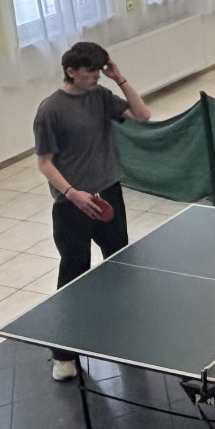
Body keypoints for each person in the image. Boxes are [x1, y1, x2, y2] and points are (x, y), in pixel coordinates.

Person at [34, 42, 150, 382]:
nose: (96, 76)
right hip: (71, 205)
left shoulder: (101, 96)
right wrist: (73, 194)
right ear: (71, 71)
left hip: (108, 193)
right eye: (90, 72)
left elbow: (142, 115)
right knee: (74, 274)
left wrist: (119, 78)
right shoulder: (50, 110)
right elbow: (45, 163)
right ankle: (63, 354)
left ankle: (125, 332)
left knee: (119, 265)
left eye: (100, 70)